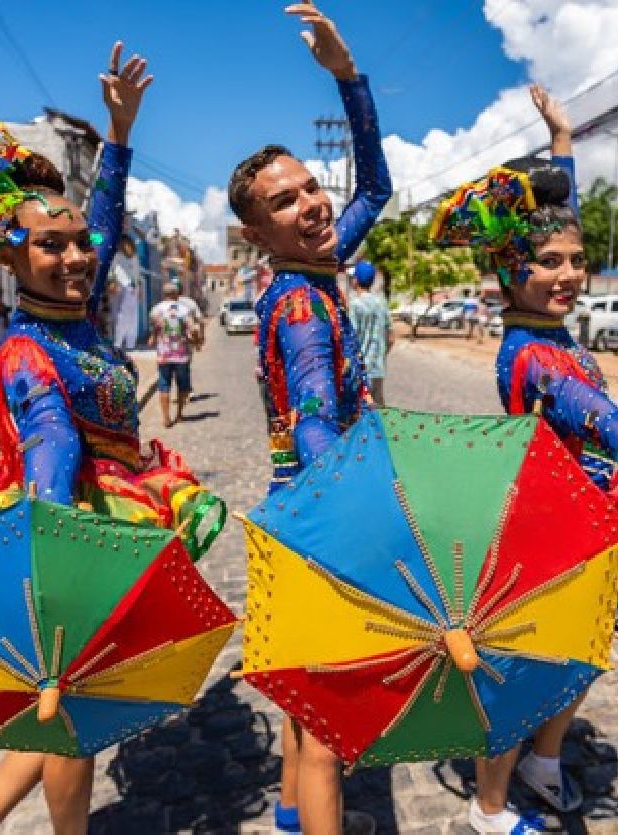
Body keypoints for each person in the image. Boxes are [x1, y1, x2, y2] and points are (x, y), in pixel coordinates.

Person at [0, 44, 219, 835]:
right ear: (10, 257)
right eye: (50, 247)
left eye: (78, 246)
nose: (74, 256)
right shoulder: (30, 351)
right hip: (70, 530)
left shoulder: (80, 310)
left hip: (107, 509)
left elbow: (101, 223)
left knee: (58, 707)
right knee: (75, 712)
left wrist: (120, 131)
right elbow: (49, 440)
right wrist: (60, 539)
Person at [432, 85, 618, 834]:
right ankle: (490, 807)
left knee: (584, 654)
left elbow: (554, 216)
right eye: (549, 262)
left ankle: (546, 765)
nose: (569, 274)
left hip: (597, 524)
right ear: (510, 271)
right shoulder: (531, 357)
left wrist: (563, 146)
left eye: (578, 260)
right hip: (544, 534)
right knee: (521, 679)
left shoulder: (557, 334)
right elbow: (610, 425)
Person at [227, 4, 390, 833]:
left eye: (311, 186)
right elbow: (320, 425)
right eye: (284, 202)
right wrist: (376, 509)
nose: (312, 205)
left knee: (303, 709)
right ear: (257, 232)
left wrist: (347, 76)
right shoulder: (297, 301)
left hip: (298, 511)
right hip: (321, 517)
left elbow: (379, 188)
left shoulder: (317, 260)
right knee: (329, 727)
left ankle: (292, 819)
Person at [148, 281, 201, 426]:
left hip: (163, 354)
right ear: (177, 295)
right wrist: (196, 341)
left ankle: (166, 417)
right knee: (182, 385)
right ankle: (179, 415)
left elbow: (154, 329)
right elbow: (193, 329)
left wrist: (153, 337)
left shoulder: (156, 310)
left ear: (163, 294)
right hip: (181, 354)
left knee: (164, 385)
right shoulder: (184, 310)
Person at [348, 259, 392, 405]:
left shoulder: (355, 305)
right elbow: (390, 337)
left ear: (355, 280)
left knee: (362, 412)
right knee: (379, 408)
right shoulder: (382, 302)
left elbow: (351, 339)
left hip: (361, 370)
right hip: (378, 368)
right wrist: (381, 354)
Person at [108, 234, 142, 349]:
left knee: (132, 317)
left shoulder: (134, 257)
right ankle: (117, 342)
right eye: (125, 243)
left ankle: (130, 343)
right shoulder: (117, 256)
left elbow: (137, 273)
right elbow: (112, 270)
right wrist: (112, 282)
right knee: (119, 315)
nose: (127, 246)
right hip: (120, 286)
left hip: (132, 288)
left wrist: (139, 287)